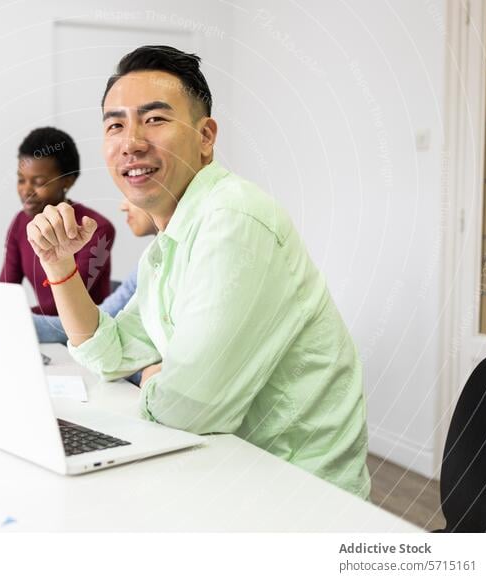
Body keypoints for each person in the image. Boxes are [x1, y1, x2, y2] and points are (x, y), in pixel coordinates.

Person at [24, 46, 371, 499]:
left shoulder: (234, 219)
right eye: (115, 125)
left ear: (206, 136)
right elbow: (113, 354)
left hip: (296, 496)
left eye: (154, 119)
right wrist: (59, 265)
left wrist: (155, 381)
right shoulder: (169, 244)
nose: (131, 141)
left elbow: (188, 410)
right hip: (227, 471)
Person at [0, 127, 115, 316]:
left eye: (38, 182)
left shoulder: (96, 227)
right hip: (46, 329)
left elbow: (71, 299)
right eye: (21, 180)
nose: (26, 190)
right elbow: (5, 290)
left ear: (67, 181)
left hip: (88, 330)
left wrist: (15, 317)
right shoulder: (20, 223)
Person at [33, 198, 157, 345]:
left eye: (131, 196)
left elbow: (99, 327)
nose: (123, 206)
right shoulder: (149, 259)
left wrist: (16, 321)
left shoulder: (99, 228)